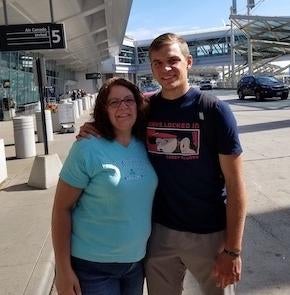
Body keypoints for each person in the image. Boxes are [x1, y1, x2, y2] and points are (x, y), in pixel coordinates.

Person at [78, 33, 247, 295]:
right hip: (159, 234)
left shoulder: (214, 111)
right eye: (157, 63)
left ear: (188, 62)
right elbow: (118, 122)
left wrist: (233, 250)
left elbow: (236, 187)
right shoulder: (147, 109)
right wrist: (94, 127)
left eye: (172, 60)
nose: (165, 69)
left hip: (209, 235)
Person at [51, 77, 158, 295]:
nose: (123, 107)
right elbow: (61, 210)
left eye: (129, 100)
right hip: (92, 267)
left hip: (135, 264)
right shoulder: (87, 149)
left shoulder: (147, 143)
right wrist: (62, 270)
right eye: (114, 102)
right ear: (103, 109)